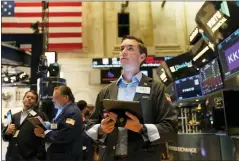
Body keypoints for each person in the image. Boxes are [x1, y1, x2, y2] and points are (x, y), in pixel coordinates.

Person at [86, 35, 178, 161]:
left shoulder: (156, 89)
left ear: (142, 57)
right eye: (122, 48)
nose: (124, 52)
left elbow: (170, 129)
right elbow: (89, 127)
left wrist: (141, 128)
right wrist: (101, 129)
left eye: (130, 48)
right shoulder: (106, 91)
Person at [34, 86, 83, 161]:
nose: (53, 100)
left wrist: (44, 133)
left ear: (65, 98)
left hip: (66, 156)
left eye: (55, 97)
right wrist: (48, 125)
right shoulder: (64, 110)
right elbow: (59, 126)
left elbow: (66, 134)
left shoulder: (72, 112)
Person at [2, 90, 48, 161]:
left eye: (32, 98)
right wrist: (7, 132)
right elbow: (5, 137)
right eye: (27, 96)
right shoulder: (14, 116)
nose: (29, 98)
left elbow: (46, 136)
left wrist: (38, 157)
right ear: (23, 99)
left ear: (36, 103)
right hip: (12, 156)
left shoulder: (40, 116)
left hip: (30, 157)